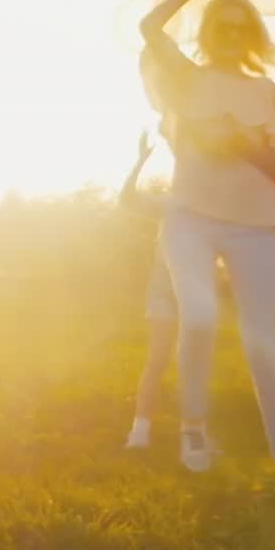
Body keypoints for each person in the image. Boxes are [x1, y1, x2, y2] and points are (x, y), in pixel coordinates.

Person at [139, 0, 275, 475]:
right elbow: (149, 27)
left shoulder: (265, 90)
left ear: (252, 35)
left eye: (240, 28)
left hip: (254, 225)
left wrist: (245, 144)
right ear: (209, 33)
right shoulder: (188, 79)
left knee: (262, 344)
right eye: (222, 27)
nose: (231, 35)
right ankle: (193, 432)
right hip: (190, 218)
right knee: (200, 316)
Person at [119, 129, 176, 451]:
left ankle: (196, 435)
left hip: (197, 297)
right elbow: (127, 200)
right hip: (164, 295)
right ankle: (139, 433)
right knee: (158, 360)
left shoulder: (217, 209)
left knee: (195, 365)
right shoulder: (170, 204)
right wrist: (140, 161)